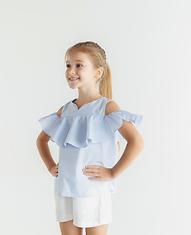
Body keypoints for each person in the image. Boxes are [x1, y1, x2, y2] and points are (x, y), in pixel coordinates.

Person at [36, 41, 145, 235]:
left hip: (93, 188)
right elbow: (41, 140)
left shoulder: (106, 108)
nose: (71, 70)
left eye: (79, 65)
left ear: (98, 72)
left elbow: (137, 142)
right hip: (65, 187)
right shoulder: (66, 110)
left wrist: (112, 173)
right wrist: (51, 166)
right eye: (68, 65)